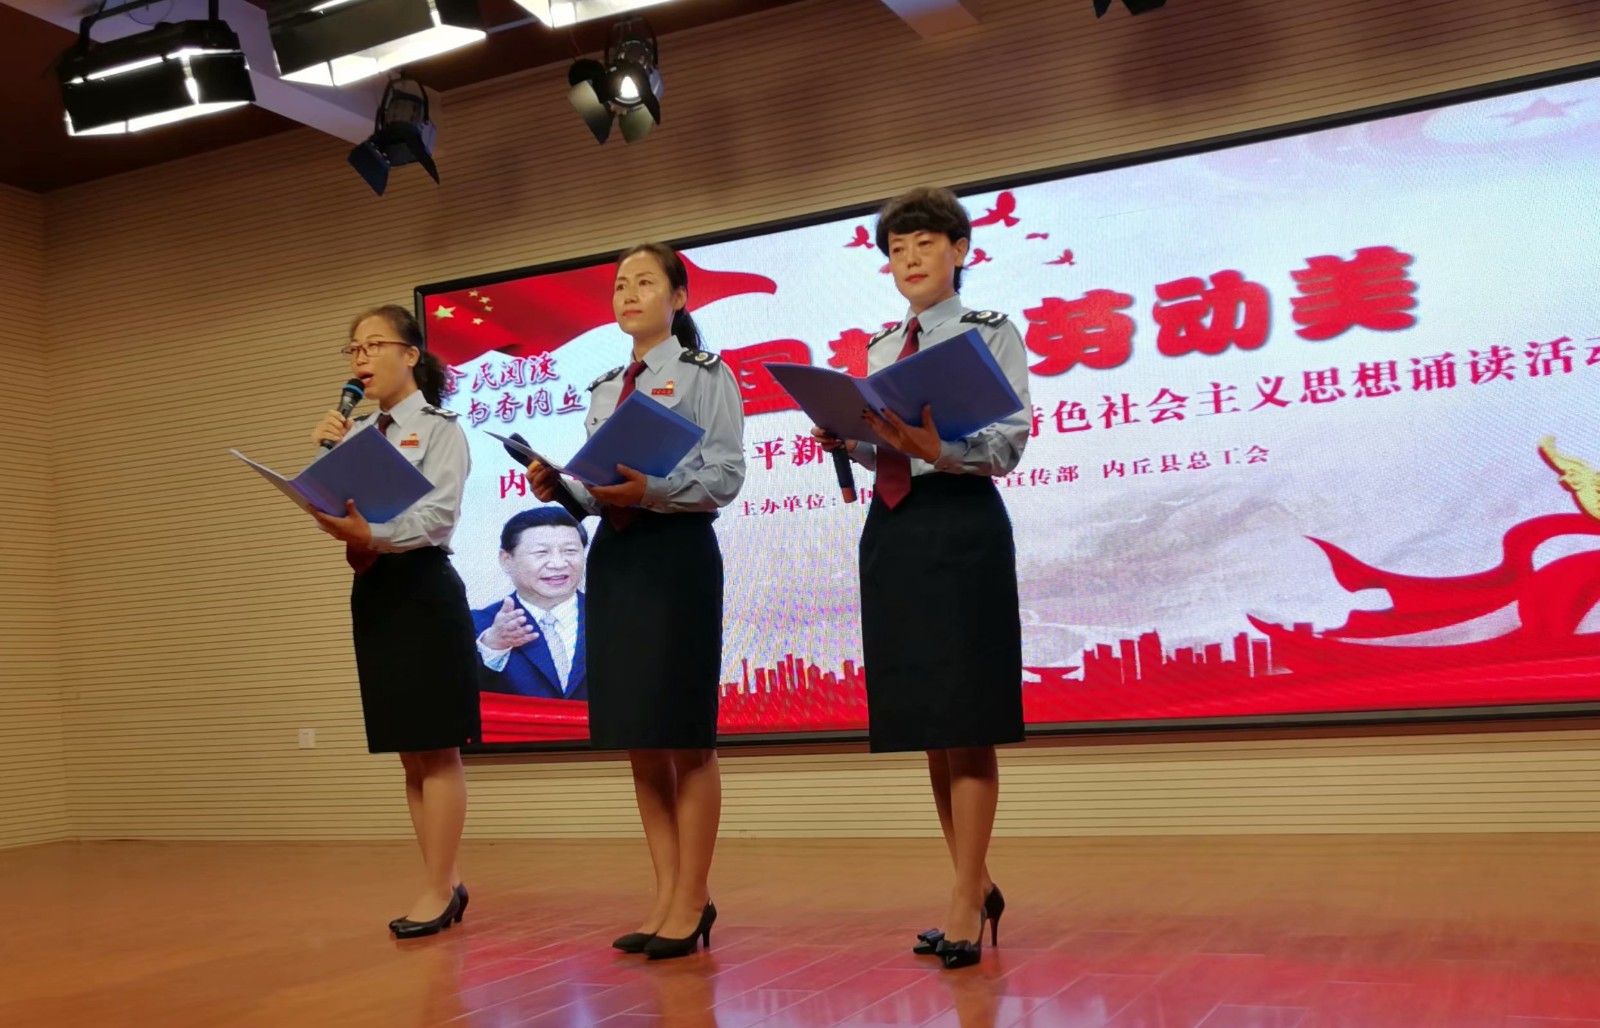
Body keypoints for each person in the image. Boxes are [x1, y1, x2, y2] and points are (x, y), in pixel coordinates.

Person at [813, 187, 1031, 970]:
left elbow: (1008, 443)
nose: (909, 258)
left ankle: (965, 898)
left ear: (960, 251)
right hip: (894, 530)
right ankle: (973, 882)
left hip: (961, 524)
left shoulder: (990, 332)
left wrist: (937, 448)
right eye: (897, 248)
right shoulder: (880, 347)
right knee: (931, 727)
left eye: (925, 243)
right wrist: (850, 439)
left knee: (966, 720)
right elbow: (889, 446)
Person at [525, 242, 744, 961]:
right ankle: (666, 895)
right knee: (641, 738)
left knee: (685, 735)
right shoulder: (604, 387)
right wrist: (563, 490)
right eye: (620, 284)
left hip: (677, 555)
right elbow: (600, 493)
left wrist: (654, 489)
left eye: (645, 282)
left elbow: (726, 475)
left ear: (678, 298)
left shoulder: (707, 374)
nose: (628, 293)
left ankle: (694, 897)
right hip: (617, 560)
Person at [308, 303, 481, 940]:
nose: (361, 359)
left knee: (437, 748)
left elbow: (437, 517)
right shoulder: (358, 433)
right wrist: (325, 478)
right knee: (411, 754)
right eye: (353, 349)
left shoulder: (440, 429)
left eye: (374, 345)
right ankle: (444, 881)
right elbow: (347, 513)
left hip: (423, 589)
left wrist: (371, 532)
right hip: (377, 591)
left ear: (411, 355)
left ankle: (437, 890)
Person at [474, 507, 589, 700]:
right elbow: (452, 694)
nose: (558, 564)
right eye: (541, 552)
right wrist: (492, 647)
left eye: (570, 551)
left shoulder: (616, 618)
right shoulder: (478, 625)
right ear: (506, 560)